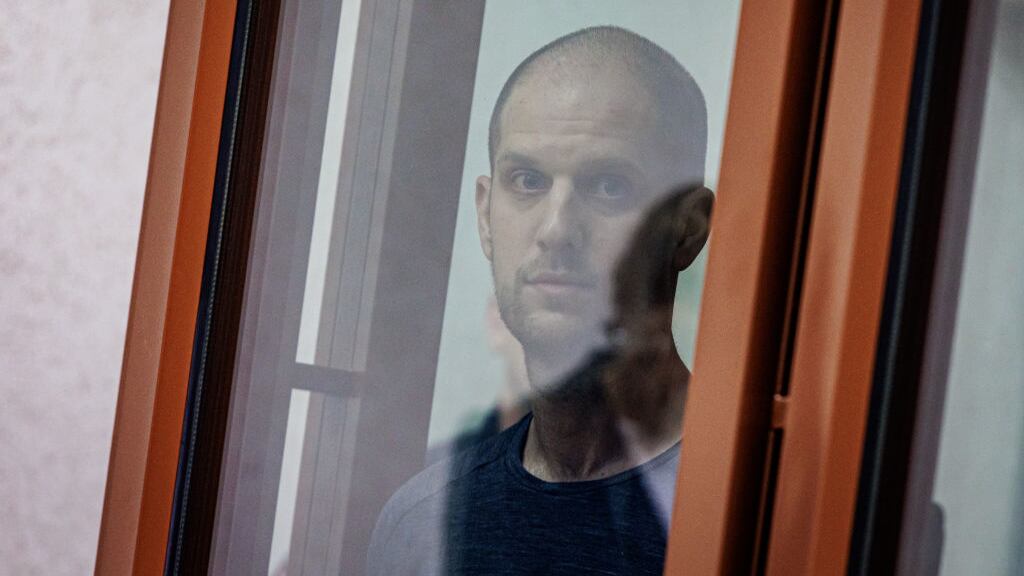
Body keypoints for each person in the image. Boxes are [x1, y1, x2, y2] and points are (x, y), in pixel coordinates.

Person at [366, 26, 713, 576]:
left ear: (687, 229)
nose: (556, 229)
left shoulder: (758, 507)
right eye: (527, 180)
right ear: (485, 215)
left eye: (609, 186)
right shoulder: (421, 526)